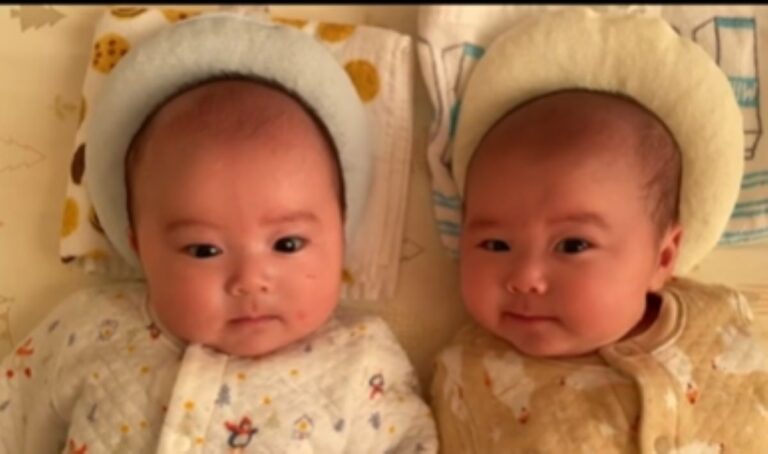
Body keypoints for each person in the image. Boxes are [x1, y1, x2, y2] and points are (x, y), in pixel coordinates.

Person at [0, 13, 437, 453]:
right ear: (139, 247)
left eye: (287, 244)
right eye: (204, 250)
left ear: (340, 236)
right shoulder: (88, 330)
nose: (250, 280)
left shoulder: (363, 363)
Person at [431, 8, 768, 453]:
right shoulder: (467, 374)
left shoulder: (723, 317)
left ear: (663, 257)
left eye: (572, 245)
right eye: (495, 244)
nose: (525, 277)